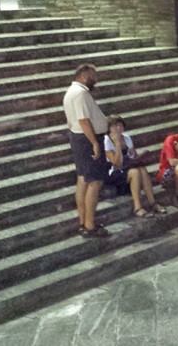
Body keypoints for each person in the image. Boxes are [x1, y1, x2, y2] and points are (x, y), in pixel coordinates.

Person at [63, 64, 111, 238]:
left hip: (78, 138)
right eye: (93, 76)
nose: (95, 79)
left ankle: (83, 222)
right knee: (94, 182)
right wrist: (94, 143)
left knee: (83, 179)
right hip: (86, 139)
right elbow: (83, 120)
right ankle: (90, 225)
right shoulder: (80, 93)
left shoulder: (71, 91)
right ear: (83, 76)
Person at [104, 115, 166, 218]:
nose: (118, 128)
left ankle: (153, 203)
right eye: (115, 126)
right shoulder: (106, 140)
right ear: (109, 128)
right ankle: (137, 207)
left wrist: (139, 156)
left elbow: (134, 157)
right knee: (135, 172)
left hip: (127, 167)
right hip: (114, 172)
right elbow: (116, 163)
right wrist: (118, 144)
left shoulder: (127, 138)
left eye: (120, 125)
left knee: (142, 169)